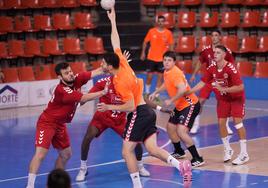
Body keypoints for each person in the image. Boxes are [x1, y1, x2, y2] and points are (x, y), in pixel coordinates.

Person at [96, 7, 192, 188]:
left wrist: (109, 107)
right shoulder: (122, 62)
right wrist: (113, 20)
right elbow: (115, 41)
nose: (101, 64)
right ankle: (181, 165)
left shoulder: (120, 81)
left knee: (126, 152)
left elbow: (130, 106)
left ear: (109, 66)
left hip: (138, 113)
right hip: (148, 113)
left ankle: (137, 185)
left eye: (103, 63)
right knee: (153, 149)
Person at [26, 63, 107, 188]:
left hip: (60, 124)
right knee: (41, 154)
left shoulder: (76, 78)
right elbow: (83, 97)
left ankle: (56, 183)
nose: (70, 74)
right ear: (60, 77)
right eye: (66, 73)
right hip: (47, 123)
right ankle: (29, 186)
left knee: (66, 154)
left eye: (70, 71)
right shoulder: (62, 90)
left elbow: (98, 71)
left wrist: (119, 63)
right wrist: (103, 93)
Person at [75, 74, 150, 182]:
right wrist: (76, 104)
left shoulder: (128, 83)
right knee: (88, 137)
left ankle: (140, 166)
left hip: (119, 120)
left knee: (136, 142)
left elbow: (138, 101)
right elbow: (86, 97)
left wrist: (157, 108)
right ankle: (83, 168)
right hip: (102, 117)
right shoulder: (103, 82)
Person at [187, 45, 249, 165]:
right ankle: (228, 149)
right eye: (214, 52)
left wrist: (223, 88)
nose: (215, 54)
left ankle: (244, 154)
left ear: (224, 55)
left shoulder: (231, 68)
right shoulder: (211, 68)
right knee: (221, 123)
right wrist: (190, 91)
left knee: (238, 122)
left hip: (236, 98)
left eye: (218, 53)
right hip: (223, 99)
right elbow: (203, 82)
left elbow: (241, 87)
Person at [149, 51, 204, 167]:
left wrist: (171, 100)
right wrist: (156, 92)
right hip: (181, 105)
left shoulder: (176, 73)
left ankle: (197, 158)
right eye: (165, 60)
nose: (167, 62)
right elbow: (167, 84)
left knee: (181, 131)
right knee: (170, 127)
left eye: (169, 60)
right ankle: (179, 151)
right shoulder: (167, 72)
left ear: (174, 62)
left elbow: (182, 89)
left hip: (190, 104)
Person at [189, 29, 234, 134]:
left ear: (220, 37)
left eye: (216, 35)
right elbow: (200, 62)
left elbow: (231, 65)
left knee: (224, 103)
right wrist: (194, 74)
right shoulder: (206, 50)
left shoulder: (226, 51)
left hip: (221, 81)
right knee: (200, 102)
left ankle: (226, 125)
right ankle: (195, 125)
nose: (214, 37)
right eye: (212, 35)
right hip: (208, 80)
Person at [140, 15, 174, 94]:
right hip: (151, 58)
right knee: (149, 77)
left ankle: (156, 95)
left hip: (162, 60)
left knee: (160, 78)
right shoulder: (151, 31)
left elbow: (171, 45)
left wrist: (171, 57)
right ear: (157, 22)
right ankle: (147, 93)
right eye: (159, 21)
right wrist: (143, 53)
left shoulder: (168, 33)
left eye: (162, 21)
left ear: (164, 22)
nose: (160, 23)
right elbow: (145, 42)